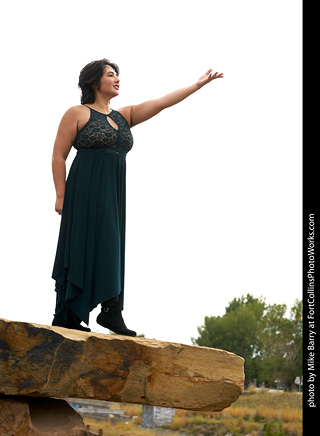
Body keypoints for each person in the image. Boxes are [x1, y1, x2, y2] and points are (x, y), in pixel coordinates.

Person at [51, 58, 223, 336]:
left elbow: (162, 102)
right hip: (83, 191)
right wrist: (61, 195)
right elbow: (59, 155)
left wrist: (197, 85)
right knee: (82, 245)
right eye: (110, 74)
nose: (117, 78)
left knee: (111, 245)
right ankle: (71, 312)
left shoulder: (124, 116)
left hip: (114, 192)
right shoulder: (77, 113)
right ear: (95, 82)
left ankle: (111, 310)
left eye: (117, 74)